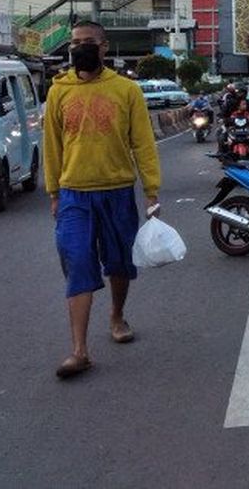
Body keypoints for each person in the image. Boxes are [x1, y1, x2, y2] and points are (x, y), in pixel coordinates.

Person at [43, 20, 161, 380]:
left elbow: (142, 142)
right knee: (78, 261)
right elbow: (52, 146)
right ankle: (79, 351)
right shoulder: (58, 92)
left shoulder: (126, 90)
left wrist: (151, 191)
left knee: (120, 263)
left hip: (117, 190)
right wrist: (54, 193)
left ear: (103, 47)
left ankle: (116, 314)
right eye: (75, 42)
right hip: (75, 194)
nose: (80, 47)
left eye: (88, 42)